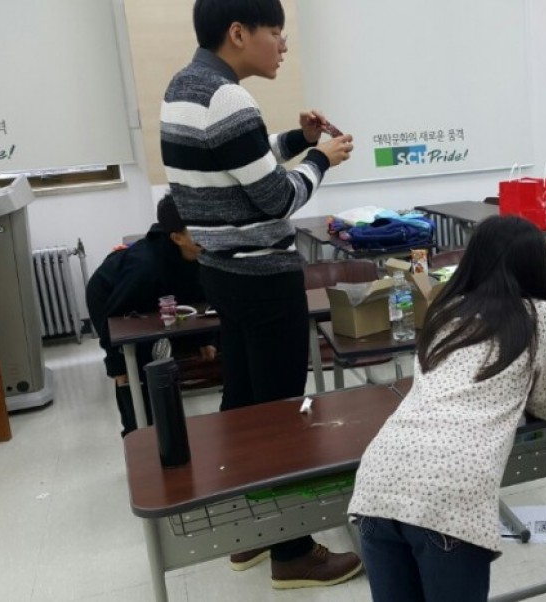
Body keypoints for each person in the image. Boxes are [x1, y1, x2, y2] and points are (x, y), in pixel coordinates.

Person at [159, 0, 360, 589]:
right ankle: (292, 552)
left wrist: (297, 138)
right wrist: (321, 158)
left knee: (244, 405)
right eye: (276, 32)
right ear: (239, 32)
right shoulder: (228, 98)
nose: (283, 45)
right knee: (280, 418)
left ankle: (249, 531)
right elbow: (276, 198)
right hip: (264, 278)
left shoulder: (185, 87)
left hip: (222, 272)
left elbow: (238, 160)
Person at [348, 215, 546, 602]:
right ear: (535, 267)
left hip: (377, 481)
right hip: (450, 492)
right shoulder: (538, 314)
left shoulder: (444, 309)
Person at [85, 195, 213, 438]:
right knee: (133, 365)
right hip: (111, 297)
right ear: (177, 238)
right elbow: (115, 317)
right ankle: (136, 433)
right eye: (199, 229)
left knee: (166, 348)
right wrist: (117, 365)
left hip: (154, 295)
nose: (209, 234)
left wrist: (204, 339)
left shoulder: (197, 250)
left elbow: (198, 299)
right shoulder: (146, 267)